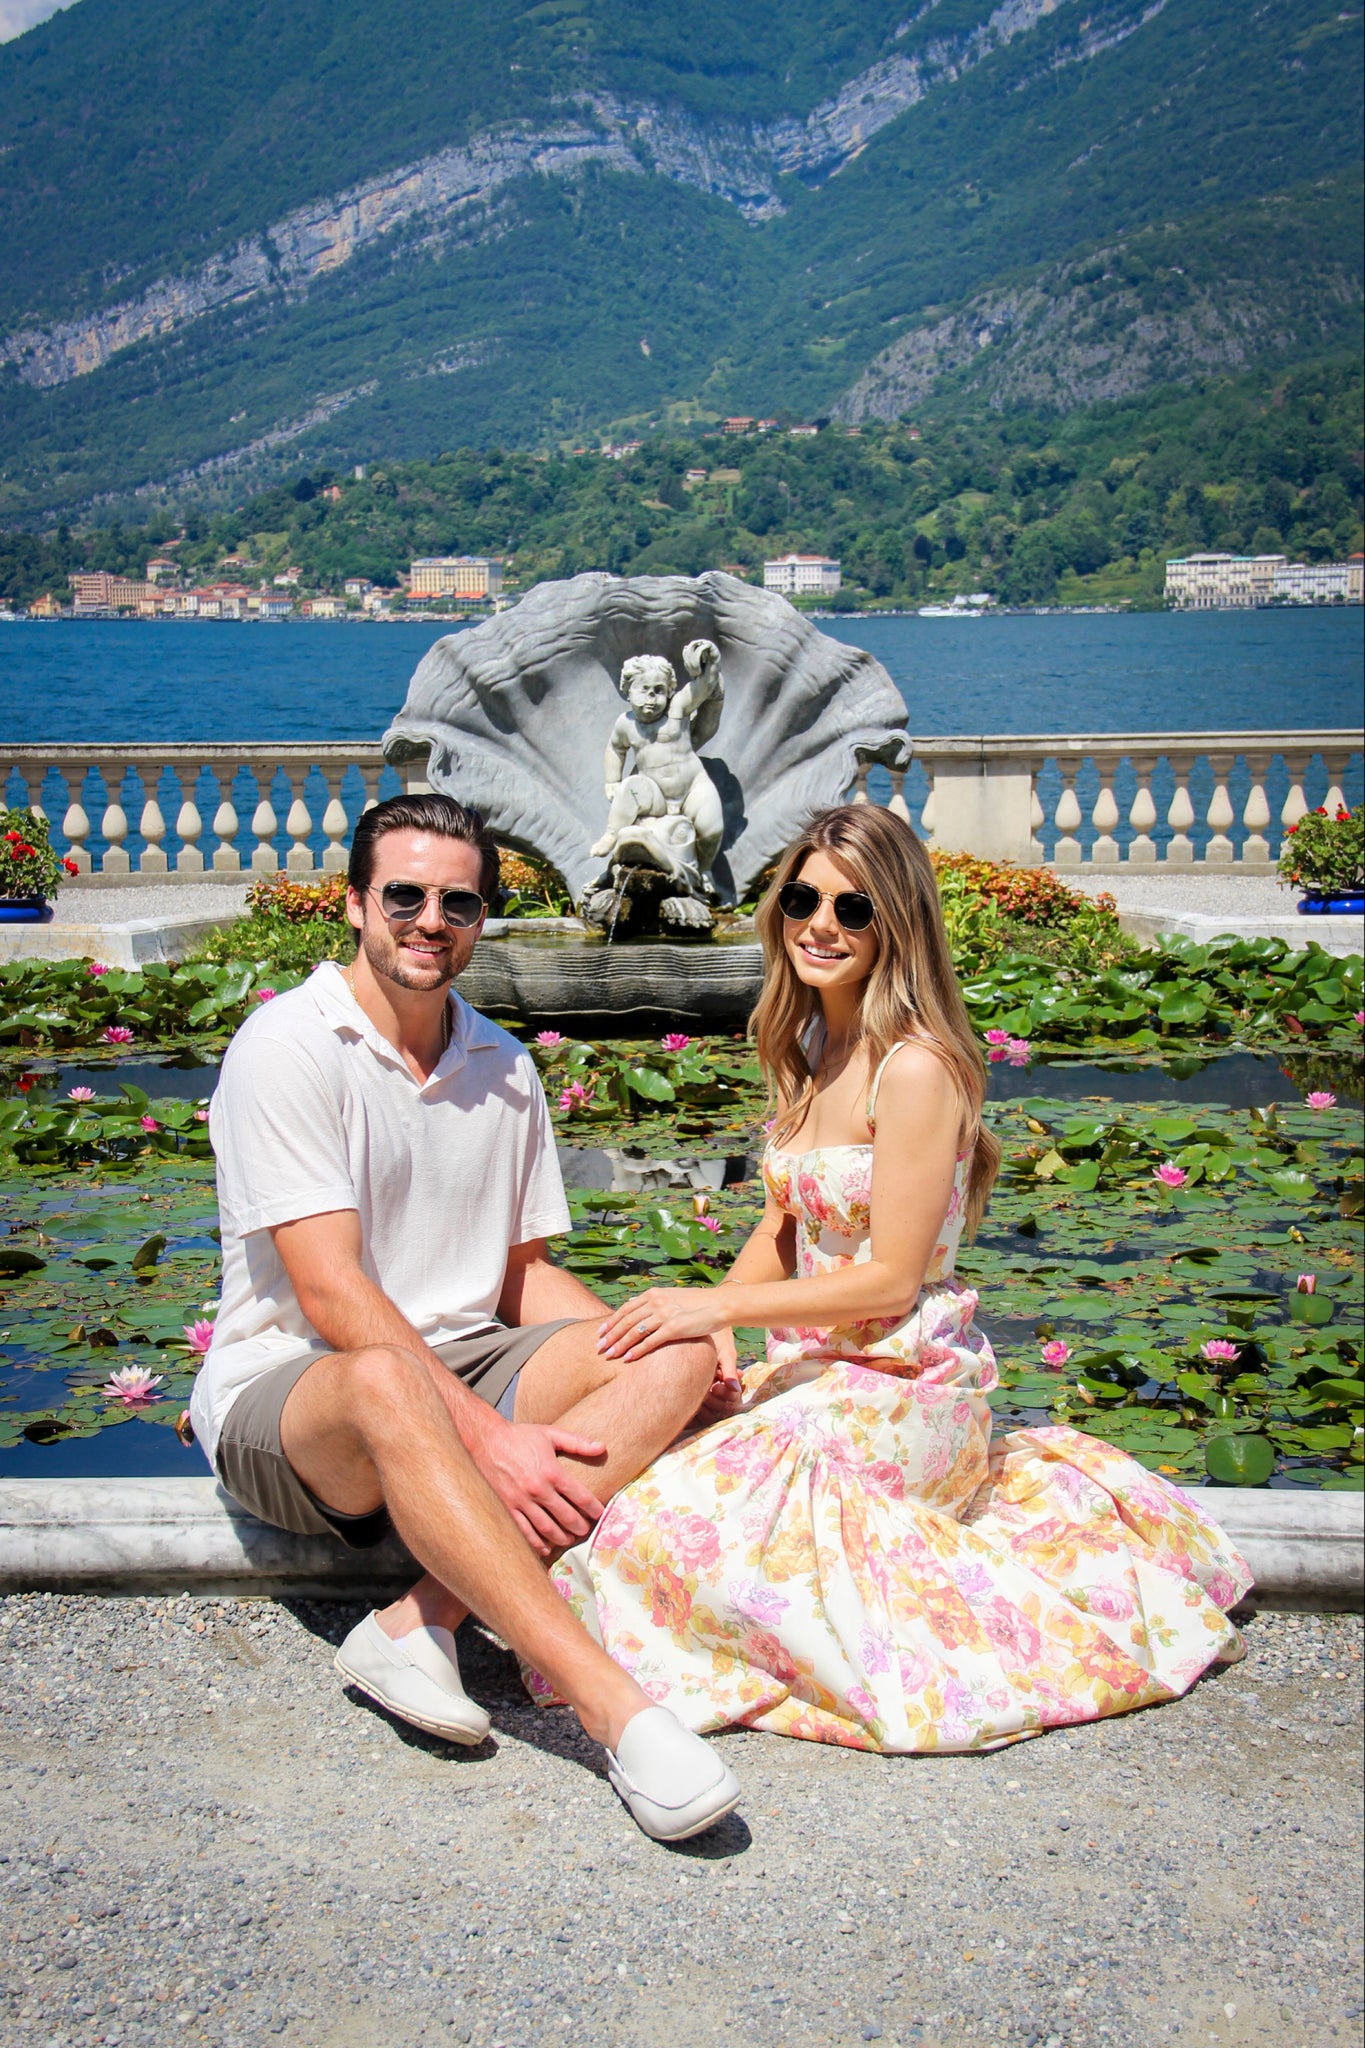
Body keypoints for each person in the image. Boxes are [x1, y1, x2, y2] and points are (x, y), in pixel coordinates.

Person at [531, 805, 1253, 1751]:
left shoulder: (916, 1069)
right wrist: (707, 1333)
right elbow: (782, 1229)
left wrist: (719, 1304)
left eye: (853, 907)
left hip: (904, 1388)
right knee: (634, 1483)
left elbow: (889, 1282)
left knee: (663, 1526)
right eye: (801, 898)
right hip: (813, 1373)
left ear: (896, 922)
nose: (819, 925)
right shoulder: (806, 1051)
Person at [189, 793, 741, 1841]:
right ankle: (614, 1709)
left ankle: (420, 1617)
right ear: (355, 904)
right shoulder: (288, 1045)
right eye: (403, 893)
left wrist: (657, 1349)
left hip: (459, 1360)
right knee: (391, 1376)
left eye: (459, 901)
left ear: (484, 916)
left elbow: (521, 1276)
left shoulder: (502, 1064)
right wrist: (494, 1441)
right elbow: (333, 1295)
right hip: (299, 1388)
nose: (430, 919)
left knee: (678, 1347)